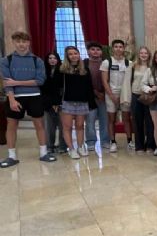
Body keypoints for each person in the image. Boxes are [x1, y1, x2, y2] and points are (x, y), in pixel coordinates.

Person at [1, 31, 55, 167]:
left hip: (35, 97)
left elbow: (40, 81)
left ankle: (43, 153)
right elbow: (7, 83)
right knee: (12, 126)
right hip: (15, 97)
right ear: (13, 43)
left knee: (39, 125)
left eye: (24, 41)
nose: (21, 44)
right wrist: (12, 100)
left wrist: (16, 82)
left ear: (28, 43)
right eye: (18, 41)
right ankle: (11, 156)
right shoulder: (6, 60)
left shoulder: (37, 60)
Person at [59, 46, 96, 159]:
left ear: (79, 54)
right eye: (70, 54)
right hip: (67, 102)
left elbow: (89, 87)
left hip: (82, 102)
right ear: (67, 56)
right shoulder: (62, 70)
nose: (74, 56)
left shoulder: (85, 69)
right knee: (67, 126)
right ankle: (71, 149)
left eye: (76, 53)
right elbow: (58, 87)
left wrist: (91, 102)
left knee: (80, 126)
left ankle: (80, 147)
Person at [100, 39, 133, 152]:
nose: (118, 48)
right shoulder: (107, 62)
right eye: (116, 46)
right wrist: (112, 96)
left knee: (126, 118)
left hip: (125, 94)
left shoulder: (129, 63)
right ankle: (113, 142)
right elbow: (104, 81)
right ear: (112, 48)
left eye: (120, 46)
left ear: (124, 49)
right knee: (111, 119)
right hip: (111, 93)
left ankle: (129, 141)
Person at [122, 46, 154, 153]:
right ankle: (139, 146)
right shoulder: (133, 66)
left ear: (149, 55)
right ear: (139, 54)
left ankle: (150, 145)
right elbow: (128, 82)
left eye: (146, 53)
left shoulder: (152, 66)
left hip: (149, 96)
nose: (144, 55)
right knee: (137, 121)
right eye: (141, 53)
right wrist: (127, 97)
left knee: (150, 122)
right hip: (136, 96)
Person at [84, 42, 109, 152]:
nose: (95, 51)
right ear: (88, 51)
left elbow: (109, 80)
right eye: (93, 49)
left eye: (98, 49)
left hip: (104, 96)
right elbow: (84, 81)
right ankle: (90, 142)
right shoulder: (84, 63)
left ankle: (105, 141)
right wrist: (95, 92)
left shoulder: (106, 63)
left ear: (101, 52)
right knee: (90, 120)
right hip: (90, 97)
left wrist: (104, 93)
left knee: (105, 120)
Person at [41, 51, 65, 154]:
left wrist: (58, 103)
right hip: (47, 103)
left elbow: (62, 88)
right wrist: (50, 103)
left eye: (54, 58)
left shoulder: (62, 72)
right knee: (49, 127)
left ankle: (63, 146)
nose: (52, 60)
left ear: (58, 60)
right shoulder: (43, 72)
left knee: (63, 126)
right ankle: (50, 146)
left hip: (61, 103)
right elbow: (42, 89)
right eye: (50, 58)